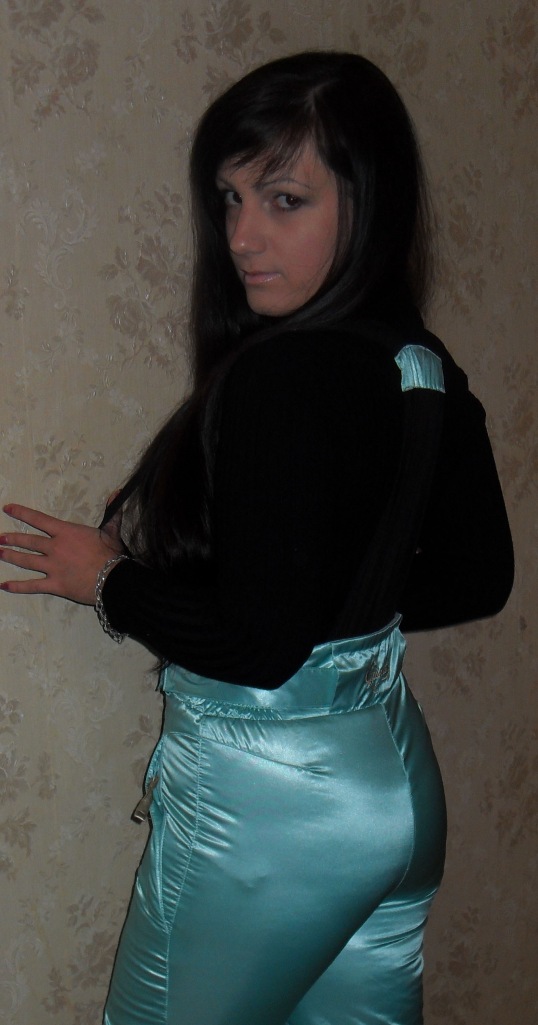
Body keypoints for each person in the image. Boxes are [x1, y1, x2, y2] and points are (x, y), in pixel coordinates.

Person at [0, 52, 513, 1025]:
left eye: (284, 200)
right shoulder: (419, 362)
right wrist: (320, 595)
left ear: (368, 201)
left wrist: (108, 579)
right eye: (230, 198)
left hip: (274, 808)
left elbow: (258, 646)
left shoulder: (283, 374)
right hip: (393, 783)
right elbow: (478, 576)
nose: (241, 236)